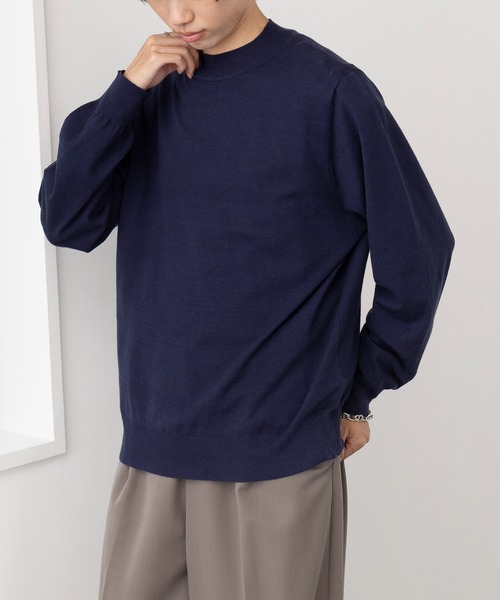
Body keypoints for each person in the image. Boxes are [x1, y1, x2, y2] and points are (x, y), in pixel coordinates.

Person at [38, 0, 455, 598]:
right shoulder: (145, 94)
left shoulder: (331, 93)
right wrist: (125, 93)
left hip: (276, 461)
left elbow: (417, 255)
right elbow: (67, 222)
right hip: (152, 451)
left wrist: (359, 391)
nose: (178, 12)